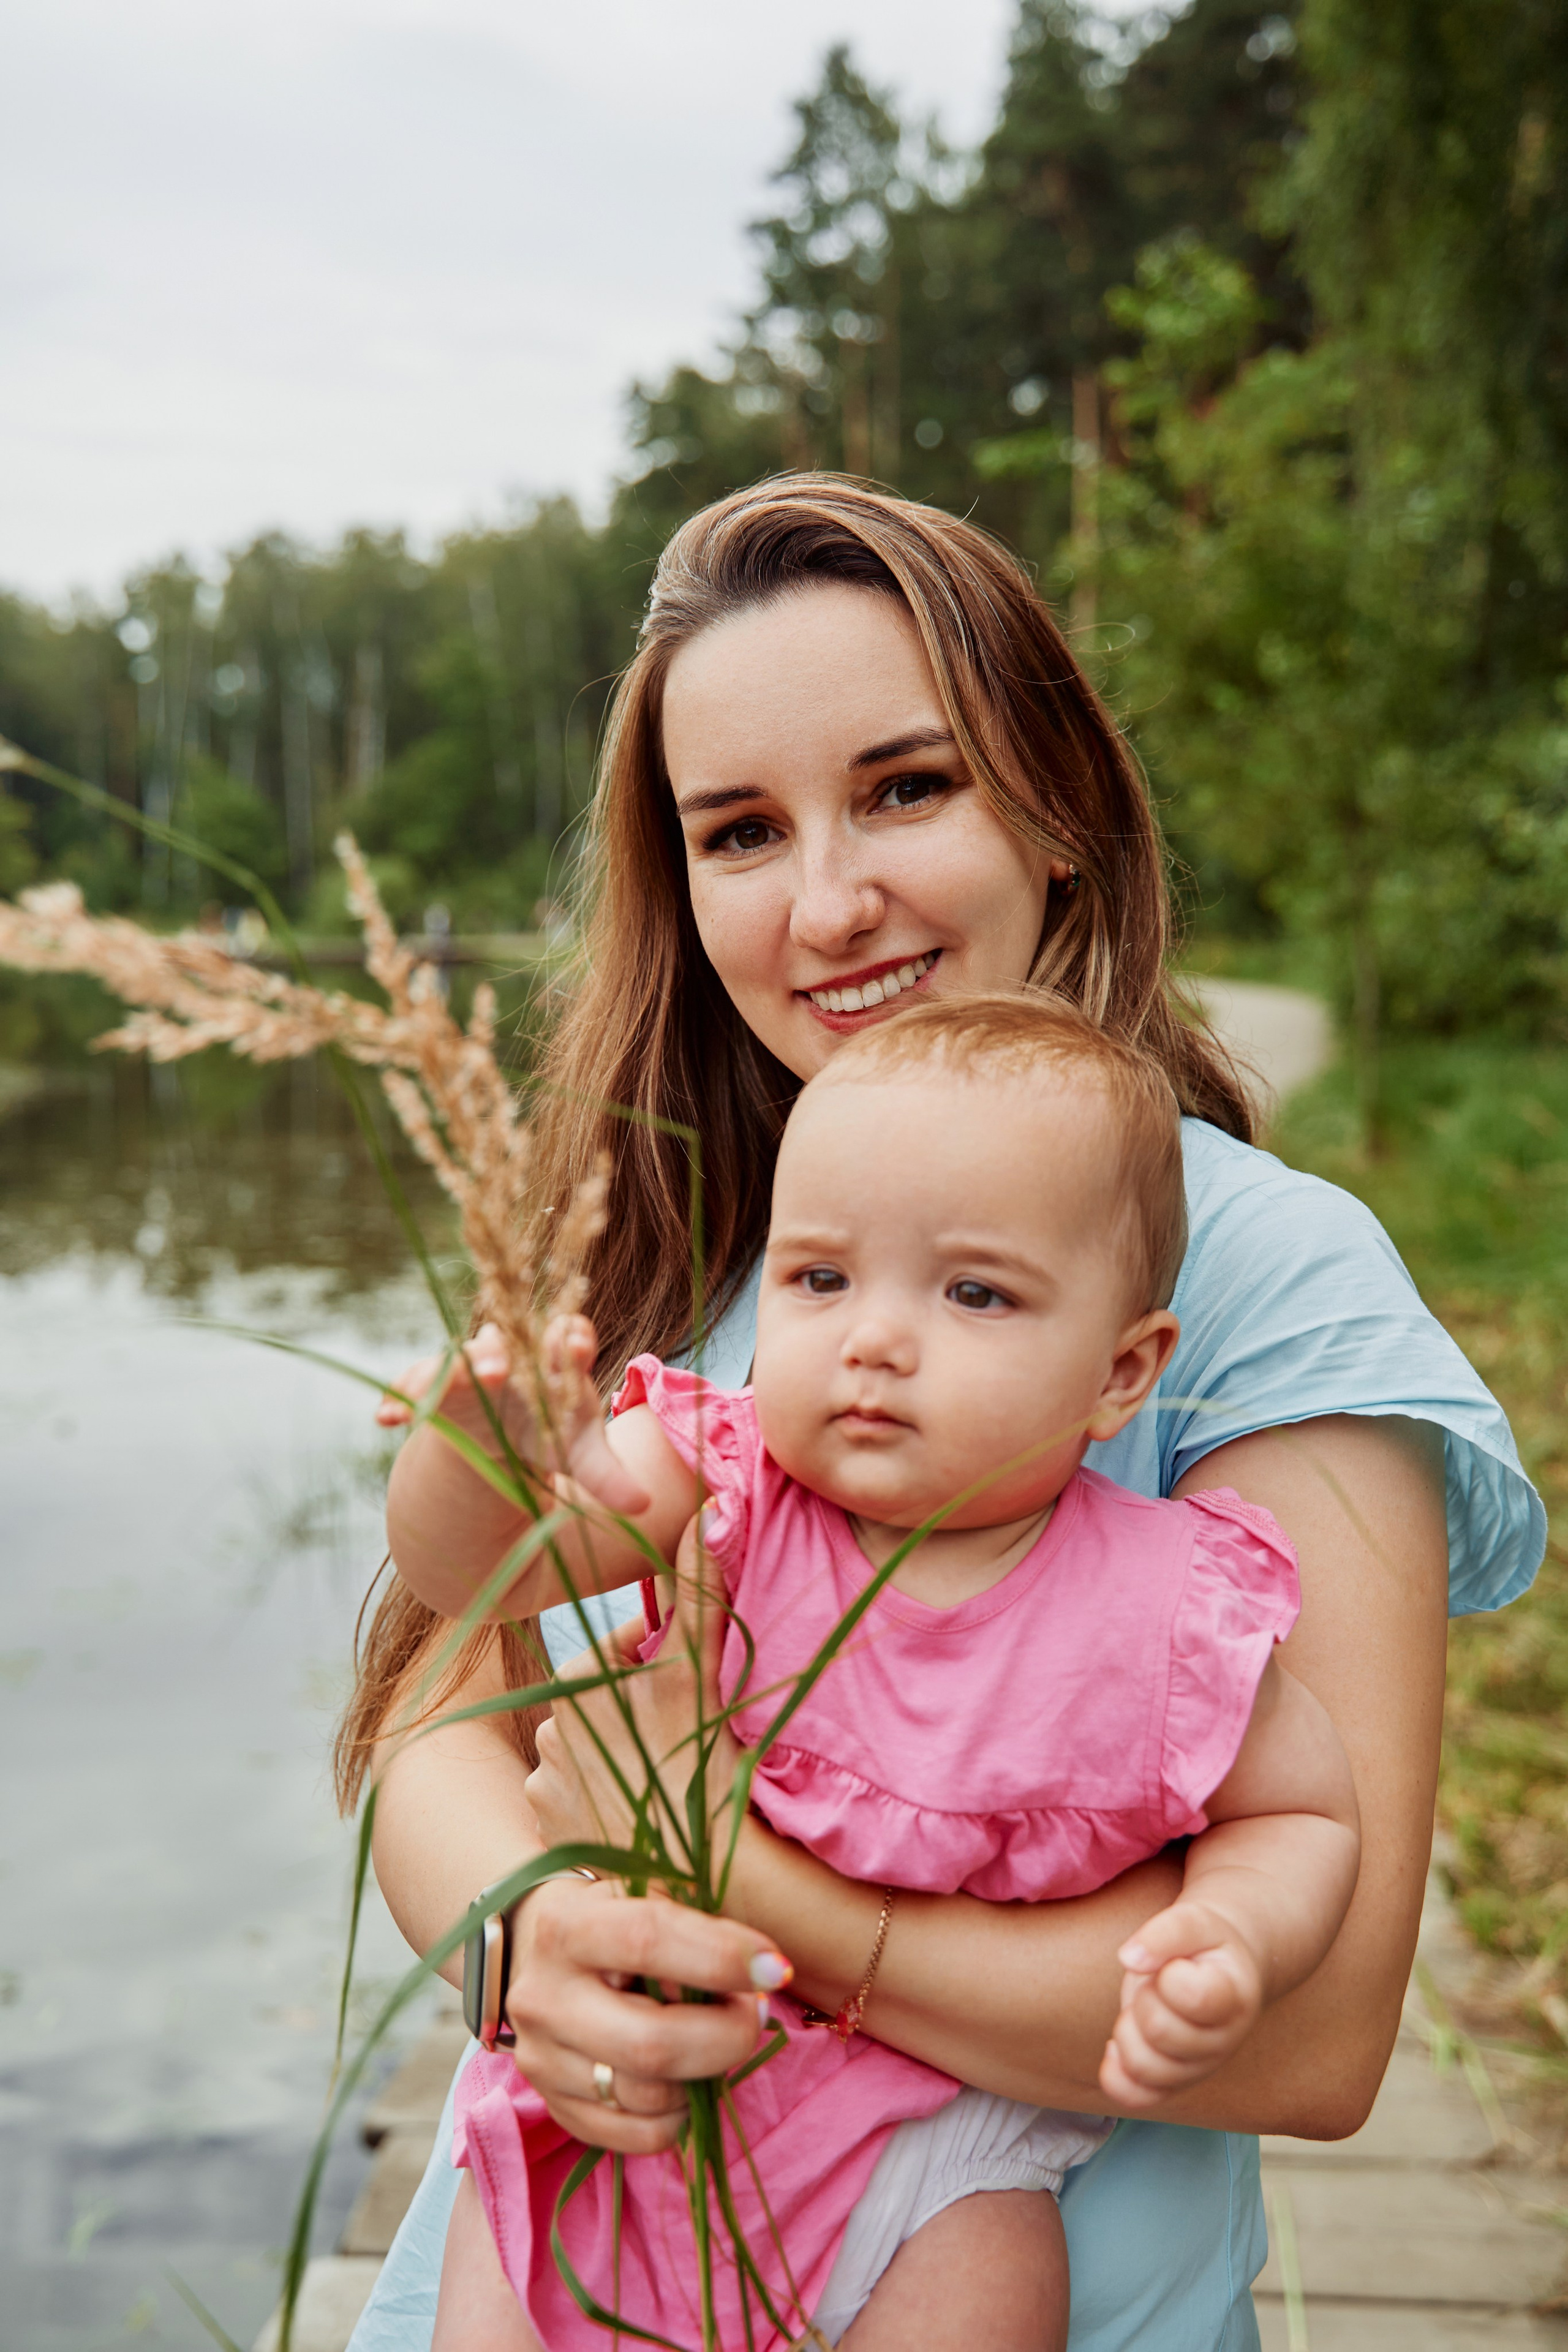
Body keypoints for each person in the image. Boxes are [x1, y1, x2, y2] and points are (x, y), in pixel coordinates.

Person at [340, 478, 1542, 2352]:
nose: (829, 901)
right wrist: (525, 1934)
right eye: (742, 831)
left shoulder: (1262, 1277)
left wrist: (765, 1898)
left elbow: (1313, 2035)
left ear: (1057, 808)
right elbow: (438, 1696)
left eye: (907, 788)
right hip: (555, 2267)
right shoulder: (696, 1237)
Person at [396, 993, 1362, 2351]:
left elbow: (1301, 1808)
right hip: (650, 2087)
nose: (872, 1340)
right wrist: (473, 1454)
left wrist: (1238, 1932)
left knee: (991, 2282)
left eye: (972, 1292)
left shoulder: (1163, 1610)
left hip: (943, 2156)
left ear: (1120, 1370)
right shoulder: (727, 1486)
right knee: (510, 2276)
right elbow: (493, 1571)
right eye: (819, 1279)